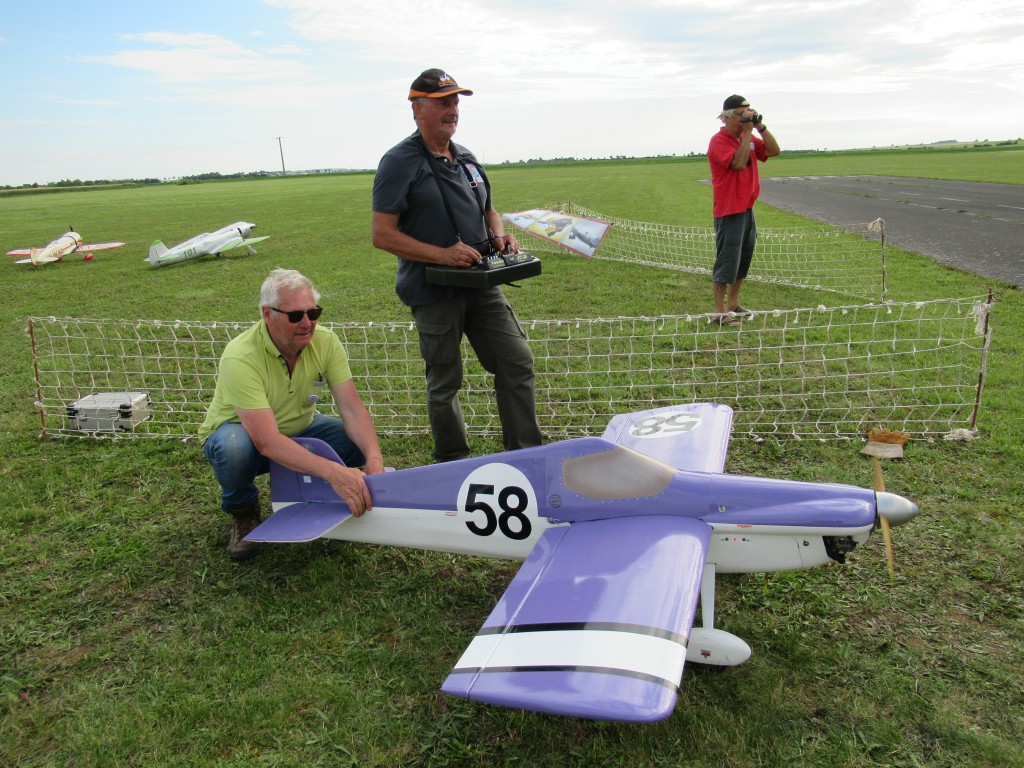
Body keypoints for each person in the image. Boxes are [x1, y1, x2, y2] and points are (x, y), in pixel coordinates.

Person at [371, 68, 542, 462]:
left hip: (482, 285)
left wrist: (498, 235)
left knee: (516, 361)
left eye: (455, 102)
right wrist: (444, 254)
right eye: (443, 102)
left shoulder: (465, 157)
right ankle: (453, 464)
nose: (453, 110)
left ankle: (526, 457)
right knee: (445, 381)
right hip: (433, 289)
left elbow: (490, 210)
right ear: (417, 108)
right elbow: (382, 234)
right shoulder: (399, 161)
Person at [199, 268, 385, 560]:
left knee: (352, 443)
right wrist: (335, 472)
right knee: (234, 449)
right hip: (243, 433)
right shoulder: (239, 356)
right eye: (296, 316)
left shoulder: (327, 342)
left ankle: (321, 494)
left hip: (301, 428)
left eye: (314, 313)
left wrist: (374, 460)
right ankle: (244, 512)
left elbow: (352, 408)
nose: (307, 323)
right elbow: (266, 441)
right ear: (267, 314)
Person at [707, 94, 781, 326]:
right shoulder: (719, 141)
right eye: (741, 114)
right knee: (727, 261)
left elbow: (774, 151)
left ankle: (734, 305)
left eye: (748, 113)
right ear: (728, 117)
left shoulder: (747, 138)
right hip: (729, 210)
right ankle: (719, 312)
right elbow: (738, 165)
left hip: (747, 208)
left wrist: (759, 126)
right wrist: (747, 133)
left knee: (742, 260)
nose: (745, 118)